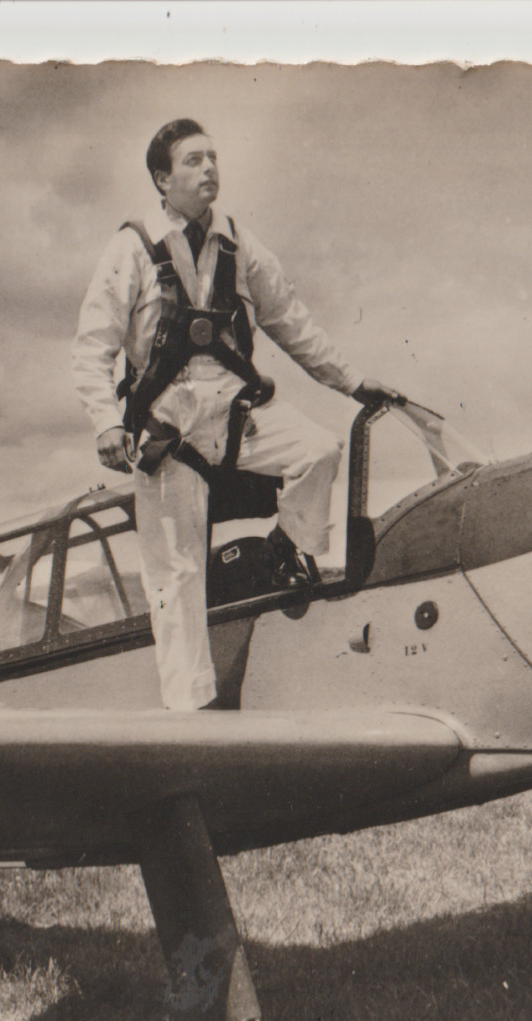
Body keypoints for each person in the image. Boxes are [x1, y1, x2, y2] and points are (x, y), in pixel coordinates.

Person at [72, 118, 401, 710]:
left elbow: (292, 322)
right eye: (193, 161)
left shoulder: (239, 245)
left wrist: (351, 382)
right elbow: (91, 346)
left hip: (236, 419)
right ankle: (190, 721)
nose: (209, 170)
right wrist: (105, 421)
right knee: (176, 583)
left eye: (214, 158)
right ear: (161, 179)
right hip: (168, 435)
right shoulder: (132, 248)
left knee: (319, 450)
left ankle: (286, 546)